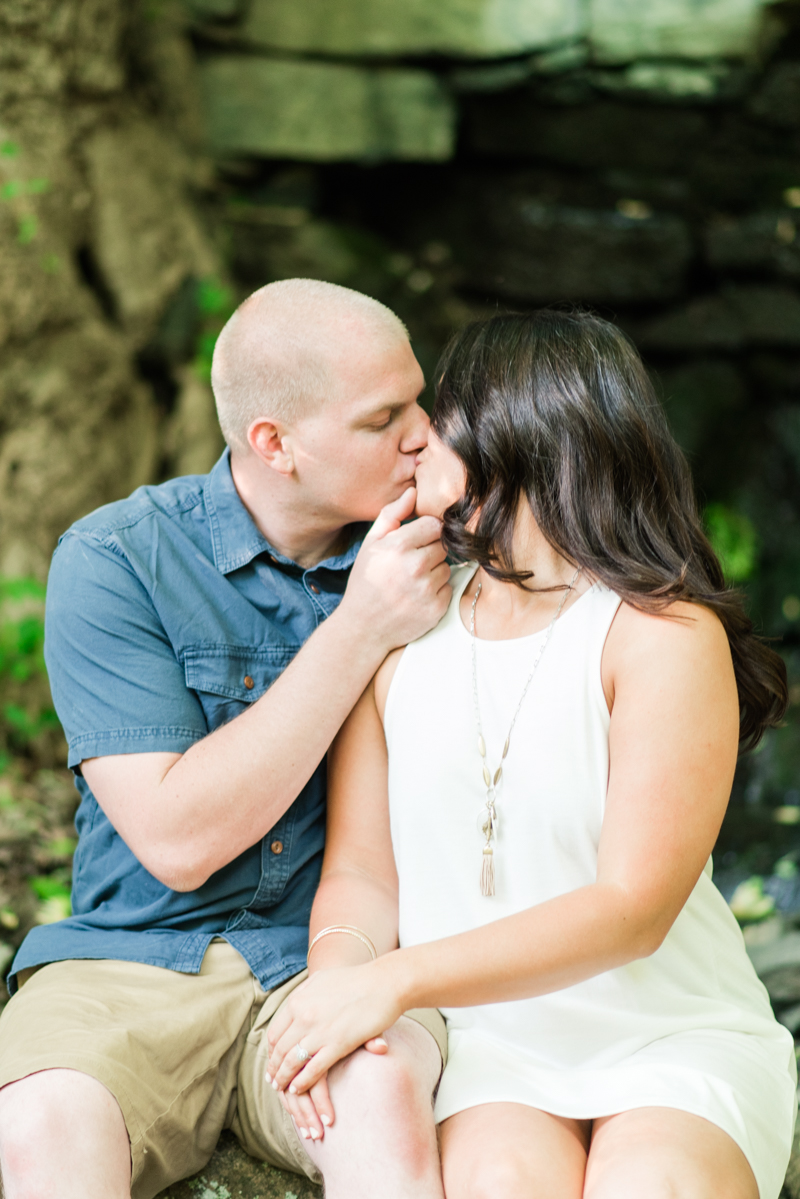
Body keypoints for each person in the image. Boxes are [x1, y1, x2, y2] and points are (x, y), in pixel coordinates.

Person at [264, 310, 798, 1199]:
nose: (411, 445)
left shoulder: (661, 633)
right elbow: (364, 869)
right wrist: (339, 988)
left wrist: (395, 979)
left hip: (667, 1031)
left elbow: (633, 907)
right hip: (490, 1042)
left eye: (437, 425)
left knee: (655, 1185)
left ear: (510, 440)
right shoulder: (404, 622)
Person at [0, 279, 453, 1199]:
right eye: (383, 419)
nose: (424, 433)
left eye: (420, 398)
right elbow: (178, 839)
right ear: (273, 444)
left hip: (337, 960)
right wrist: (359, 627)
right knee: (41, 1122)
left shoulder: (444, 551)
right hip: (132, 963)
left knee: (383, 1091)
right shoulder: (119, 558)